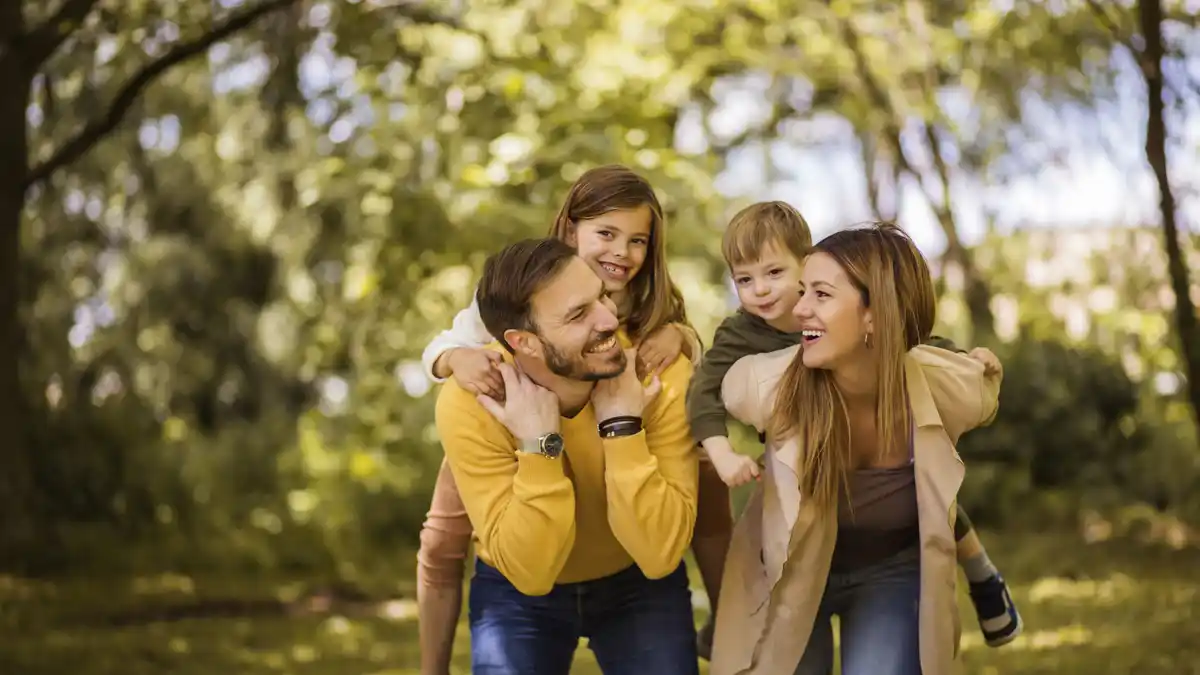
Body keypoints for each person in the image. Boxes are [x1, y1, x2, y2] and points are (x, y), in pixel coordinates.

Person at [416, 165, 733, 673]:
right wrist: (457, 364)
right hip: (516, 447)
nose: (622, 254)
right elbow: (446, 345)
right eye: (605, 234)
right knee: (441, 539)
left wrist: (675, 351)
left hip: (630, 542)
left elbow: (681, 338)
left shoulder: (651, 332)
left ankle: (731, 634)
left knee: (709, 493)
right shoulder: (504, 309)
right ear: (569, 232)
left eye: (637, 241)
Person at [687, 204, 1022, 650]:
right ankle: (733, 620)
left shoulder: (890, 353)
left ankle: (981, 571)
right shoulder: (743, 335)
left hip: (888, 548)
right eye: (744, 280)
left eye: (774, 274)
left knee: (929, 488)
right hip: (800, 498)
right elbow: (705, 390)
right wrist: (722, 451)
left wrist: (964, 362)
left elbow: (916, 341)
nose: (761, 291)